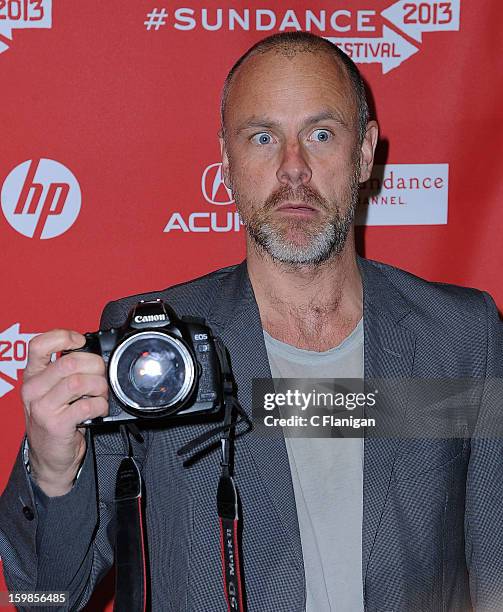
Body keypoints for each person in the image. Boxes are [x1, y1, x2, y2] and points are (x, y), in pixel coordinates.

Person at [1, 31, 502, 612]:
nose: (294, 168)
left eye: (320, 134)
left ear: (364, 153)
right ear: (227, 159)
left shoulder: (460, 337)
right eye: (262, 137)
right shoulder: (153, 351)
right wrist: (55, 470)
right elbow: (47, 595)